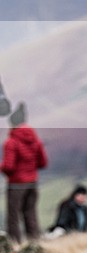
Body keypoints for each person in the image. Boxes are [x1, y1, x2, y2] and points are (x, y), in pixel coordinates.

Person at [1, 102, 48, 243]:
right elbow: (43, 163)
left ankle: (14, 245)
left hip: (16, 184)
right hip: (32, 183)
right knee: (30, 214)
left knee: (13, 216)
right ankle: (34, 244)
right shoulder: (35, 141)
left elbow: (9, 166)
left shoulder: (11, 142)